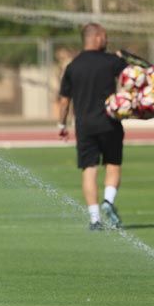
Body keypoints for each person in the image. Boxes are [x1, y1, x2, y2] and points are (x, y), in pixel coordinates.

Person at [57, 22, 128, 230]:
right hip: (109, 122)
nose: (106, 40)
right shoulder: (112, 61)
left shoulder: (72, 66)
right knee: (113, 164)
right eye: (104, 36)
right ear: (97, 38)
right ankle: (108, 202)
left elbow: (64, 101)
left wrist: (62, 124)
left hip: (84, 126)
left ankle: (95, 219)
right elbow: (132, 77)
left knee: (89, 169)